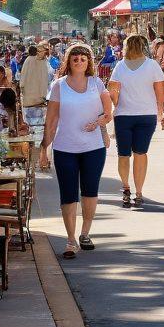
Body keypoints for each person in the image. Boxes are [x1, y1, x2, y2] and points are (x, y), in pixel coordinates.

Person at [39, 42, 113, 258]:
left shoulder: (96, 84)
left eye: (83, 58)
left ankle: (85, 232)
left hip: (93, 148)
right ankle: (70, 239)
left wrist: (100, 122)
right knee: (69, 194)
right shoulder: (59, 86)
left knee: (90, 191)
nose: (79, 61)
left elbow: (108, 112)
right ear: (68, 62)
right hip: (65, 147)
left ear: (89, 61)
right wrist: (44, 147)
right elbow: (51, 120)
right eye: (75, 59)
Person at [108, 33, 164, 209]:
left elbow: (113, 92)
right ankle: (139, 192)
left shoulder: (119, 67)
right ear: (143, 47)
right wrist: (161, 113)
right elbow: (161, 93)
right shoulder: (152, 66)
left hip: (123, 116)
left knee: (123, 154)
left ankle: (126, 188)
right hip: (146, 115)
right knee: (140, 153)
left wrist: (116, 105)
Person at [19, 43, 52, 143]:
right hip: (40, 100)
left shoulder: (28, 61)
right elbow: (46, 80)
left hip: (28, 100)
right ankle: (38, 147)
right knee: (39, 127)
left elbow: (22, 81)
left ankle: (31, 144)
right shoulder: (43, 62)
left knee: (30, 125)